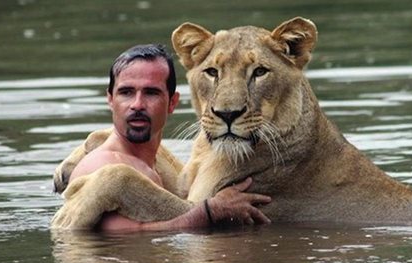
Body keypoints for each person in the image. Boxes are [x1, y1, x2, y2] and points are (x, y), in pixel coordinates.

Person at [68, 44, 271, 232]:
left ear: (172, 103)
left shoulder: (160, 166)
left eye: (151, 93)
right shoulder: (100, 166)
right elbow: (125, 237)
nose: (137, 104)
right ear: (110, 100)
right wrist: (212, 211)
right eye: (126, 92)